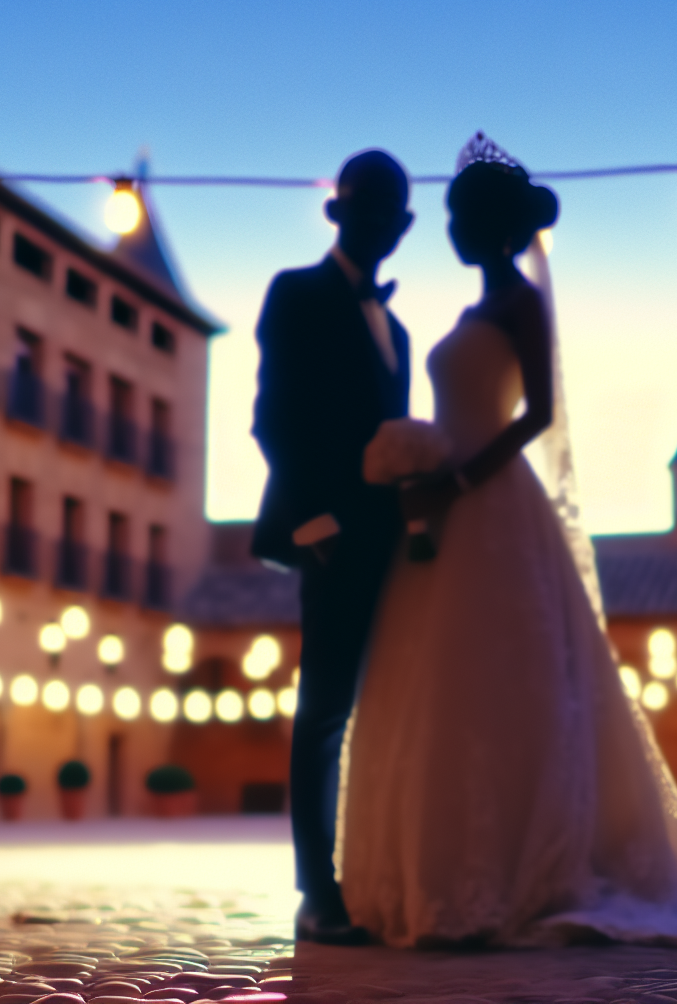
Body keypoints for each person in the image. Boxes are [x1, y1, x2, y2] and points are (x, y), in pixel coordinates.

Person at [336, 134, 677, 949]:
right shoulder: (467, 313)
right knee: (436, 678)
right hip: (442, 505)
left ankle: (504, 871)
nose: (450, 229)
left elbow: (536, 415)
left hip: (488, 503)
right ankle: (438, 869)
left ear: (492, 227)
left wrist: (456, 479)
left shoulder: (521, 305)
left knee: (501, 677)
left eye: (461, 216)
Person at [251, 149, 413, 945]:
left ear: (406, 226)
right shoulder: (296, 293)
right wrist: (316, 529)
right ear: (337, 213)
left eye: (392, 213)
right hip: (330, 542)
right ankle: (317, 893)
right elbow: (273, 418)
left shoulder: (402, 331)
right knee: (322, 715)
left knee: (392, 711)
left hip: (397, 546)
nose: (378, 224)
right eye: (365, 209)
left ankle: (382, 874)